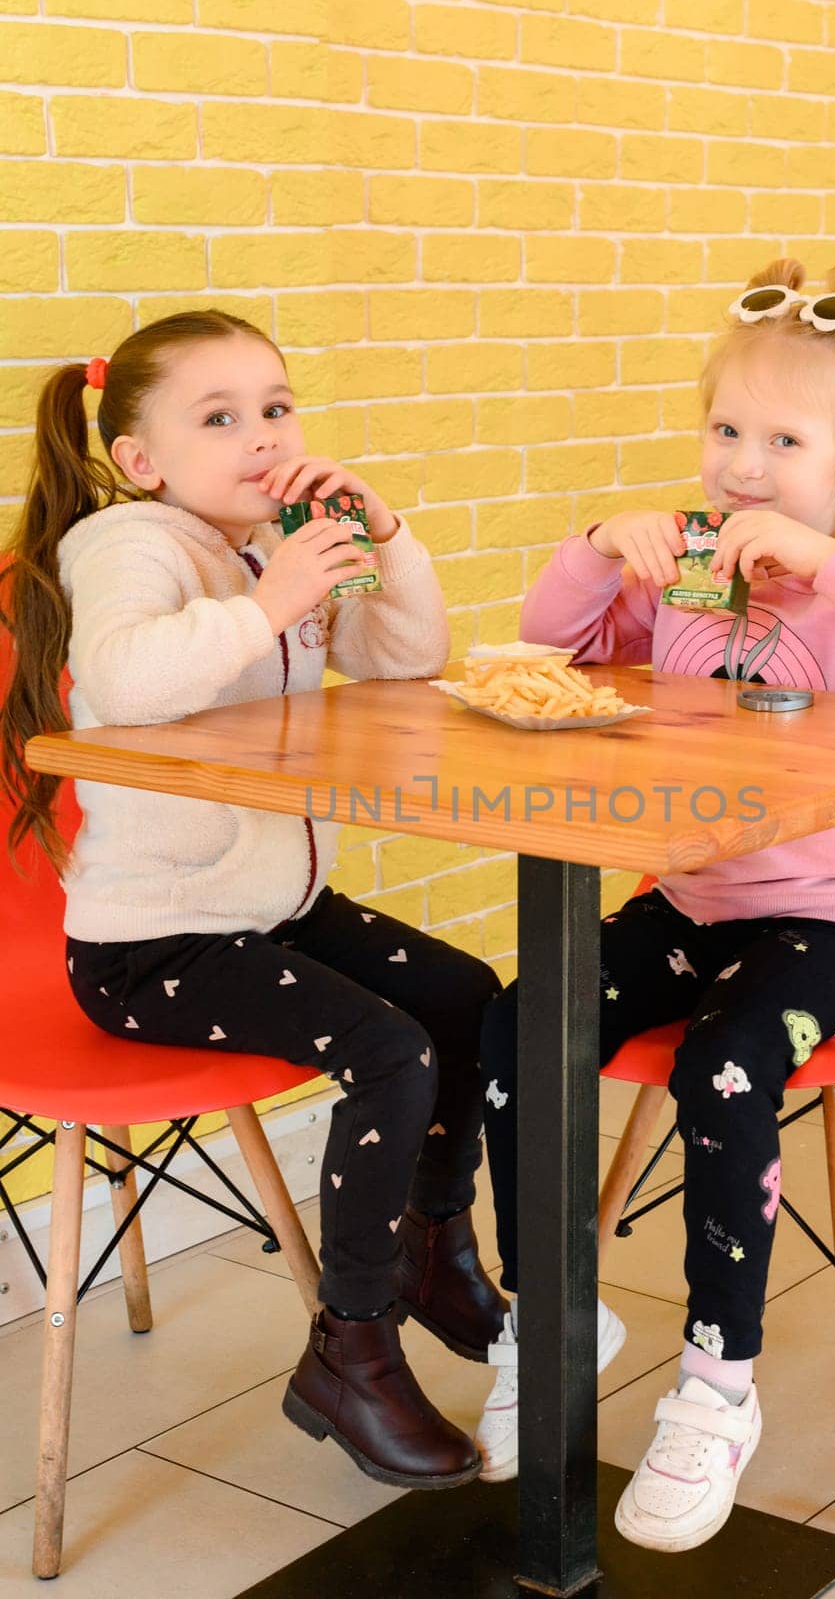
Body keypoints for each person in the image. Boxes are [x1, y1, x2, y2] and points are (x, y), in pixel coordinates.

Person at [474, 258, 835, 1550]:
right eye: (724, 432)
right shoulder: (689, 572)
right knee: (517, 1022)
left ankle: (717, 1383)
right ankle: (554, 1314)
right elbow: (547, 641)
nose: (743, 467)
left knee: (724, 1074)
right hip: (693, 902)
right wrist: (603, 548)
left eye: (784, 440)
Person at [0, 309, 507, 1492]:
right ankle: (351, 1346)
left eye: (275, 408)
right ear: (142, 458)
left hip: (265, 908)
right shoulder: (128, 542)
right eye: (219, 418)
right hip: (148, 943)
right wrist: (275, 597)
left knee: (466, 995)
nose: (261, 436)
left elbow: (403, 663)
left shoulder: (266, 545)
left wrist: (385, 535)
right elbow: (122, 681)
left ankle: (432, 1243)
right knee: (389, 1052)